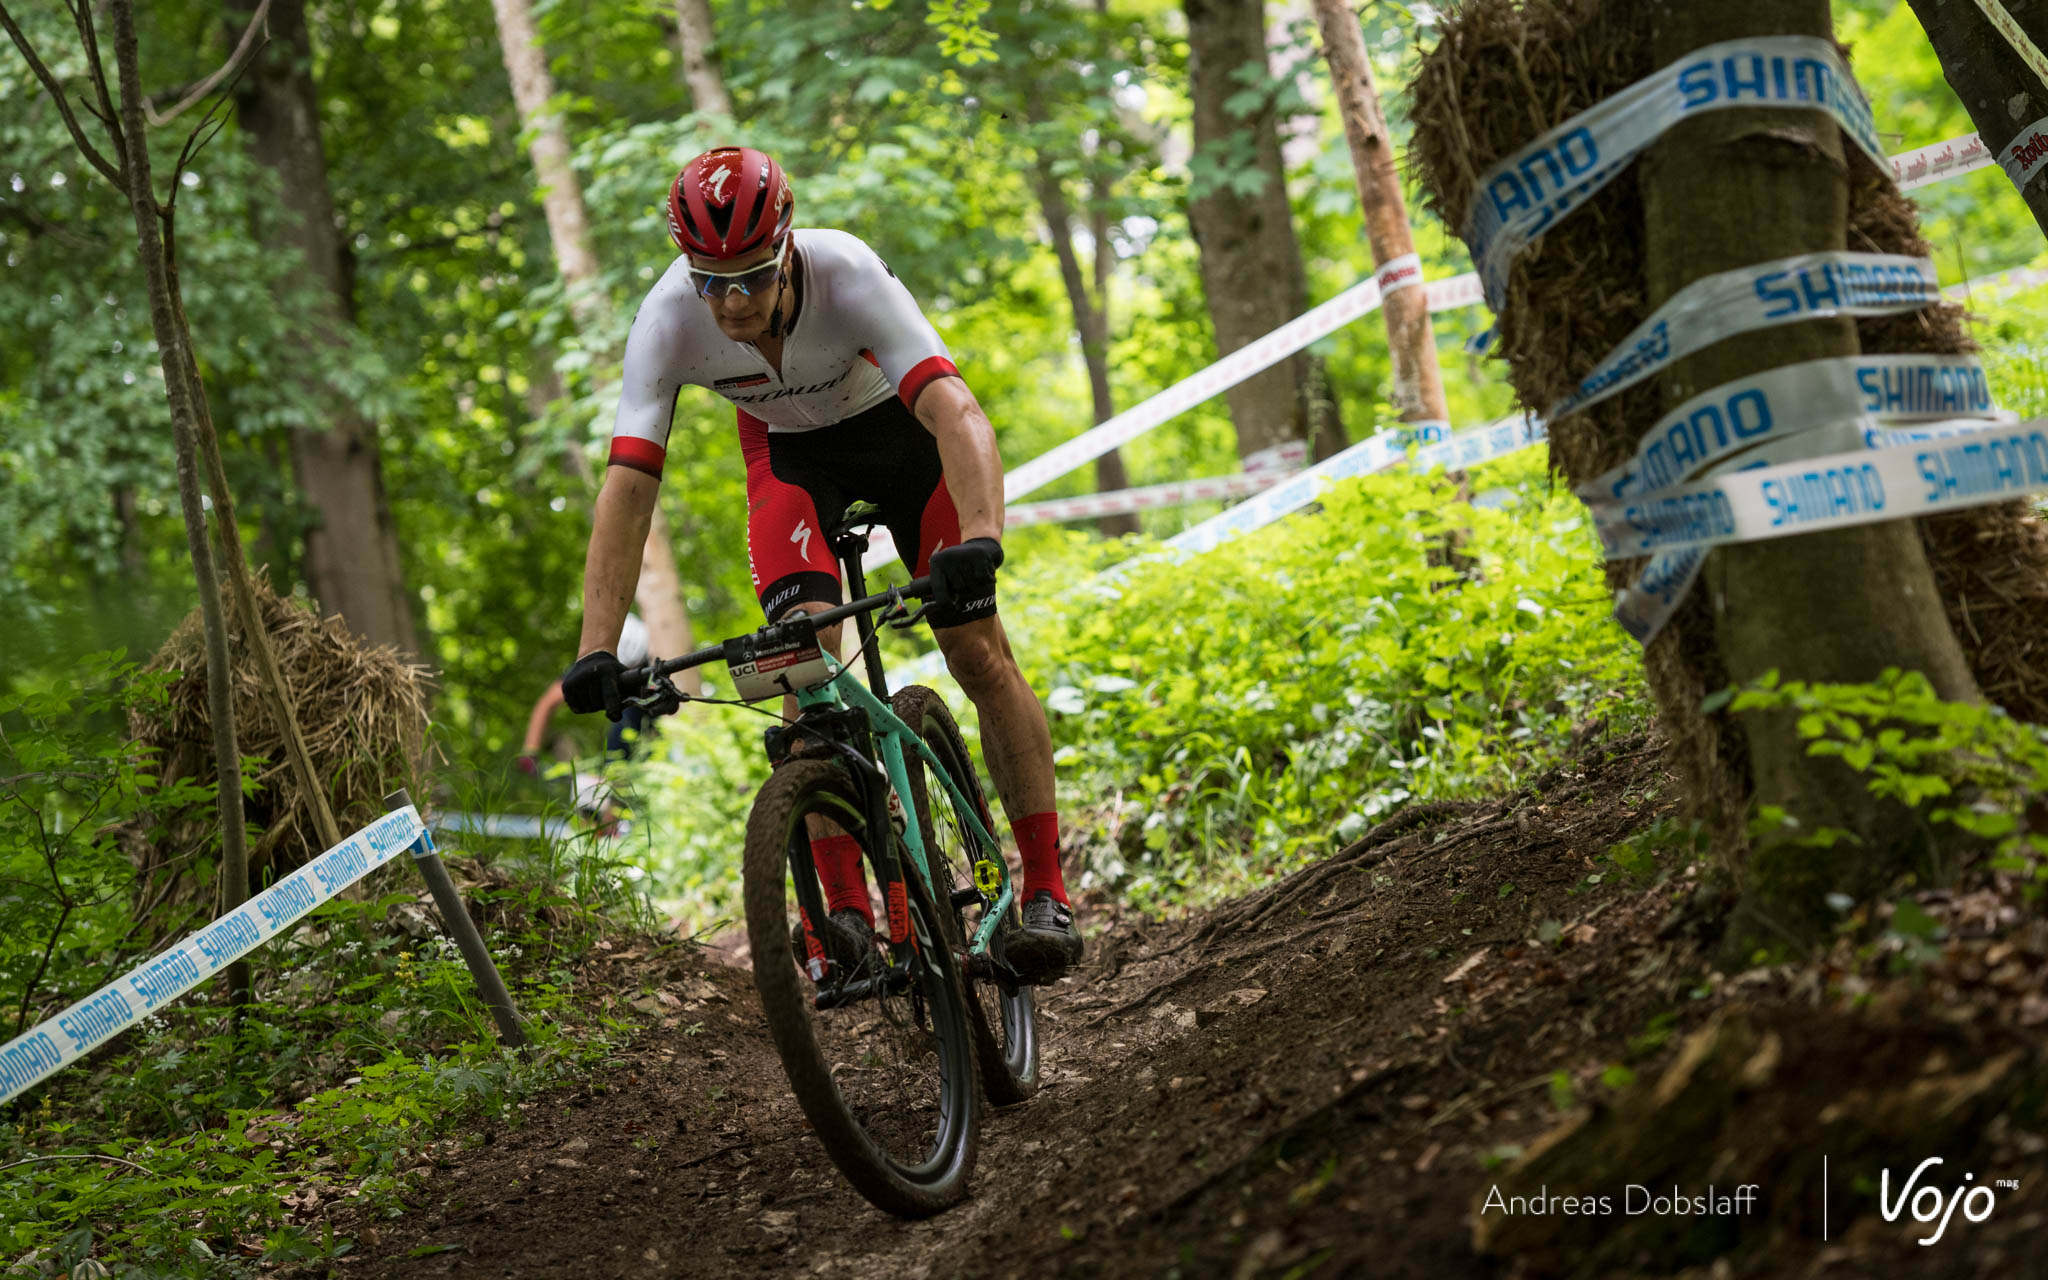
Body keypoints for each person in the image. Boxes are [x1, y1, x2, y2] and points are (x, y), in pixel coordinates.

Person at [558, 145, 1082, 978]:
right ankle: (843, 916)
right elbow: (628, 489)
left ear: (789, 247)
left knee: (976, 653)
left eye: (752, 277)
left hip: (903, 441)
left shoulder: (848, 272)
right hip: (791, 463)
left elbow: (956, 411)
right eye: (710, 282)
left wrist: (982, 539)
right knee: (799, 662)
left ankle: (1047, 892)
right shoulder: (666, 318)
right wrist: (595, 645)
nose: (732, 302)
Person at [521, 612, 652, 825]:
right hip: (597, 749)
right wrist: (530, 750)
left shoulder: (649, 671)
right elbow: (547, 703)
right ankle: (597, 820)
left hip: (637, 733)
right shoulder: (594, 662)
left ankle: (609, 818)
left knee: (623, 739)